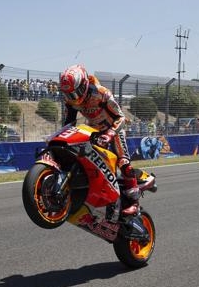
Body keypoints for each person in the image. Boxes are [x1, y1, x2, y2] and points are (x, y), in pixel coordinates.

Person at [59, 64, 140, 216]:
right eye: (69, 95)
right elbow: (69, 122)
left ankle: (135, 203)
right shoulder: (71, 101)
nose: (73, 99)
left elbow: (121, 117)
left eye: (75, 94)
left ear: (83, 85)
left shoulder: (101, 93)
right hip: (93, 131)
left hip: (113, 130)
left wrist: (110, 133)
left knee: (123, 163)